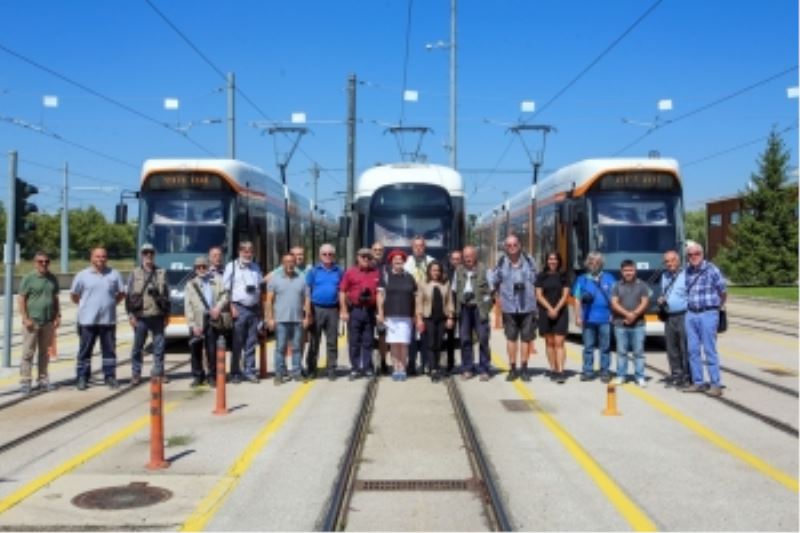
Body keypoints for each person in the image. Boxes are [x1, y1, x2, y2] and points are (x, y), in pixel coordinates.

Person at [70, 246, 126, 390]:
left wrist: (111, 304)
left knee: (109, 350)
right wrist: (86, 306)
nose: (101, 259)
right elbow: (74, 295)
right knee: (85, 351)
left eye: (103, 256)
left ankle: (110, 376)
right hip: (87, 320)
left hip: (108, 320)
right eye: (97, 256)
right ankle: (82, 377)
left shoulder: (114, 274)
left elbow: (121, 293)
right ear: (91, 258)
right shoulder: (82, 275)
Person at [683, 242, 727, 397]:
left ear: (702, 254)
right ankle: (698, 382)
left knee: (709, 349)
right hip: (691, 313)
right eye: (690, 255)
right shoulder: (687, 271)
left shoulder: (712, 270)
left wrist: (716, 308)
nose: (693, 257)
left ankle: (715, 384)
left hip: (708, 313)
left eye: (696, 254)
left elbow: (723, 292)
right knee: (693, 350)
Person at [492, 235, 538, 382]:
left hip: (528, 305)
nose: (512, 247)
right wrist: (497, 297)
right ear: (505, 247)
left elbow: (537, 279)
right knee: (511, 338)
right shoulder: (501, 262)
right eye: (509, 245)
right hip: (509, 306)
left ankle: (524, 368)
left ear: (520, 245)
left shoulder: (530, 261)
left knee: (526, 339)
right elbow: (493, 281)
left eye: (515, 244)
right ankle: (512, 368)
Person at [125, 243, 170, 385]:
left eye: (151, 253)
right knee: (138, 347)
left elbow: (167, 295)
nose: (148, 256)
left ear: (154, 255)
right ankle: (136, 374)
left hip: (157, 315)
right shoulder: (134, 273)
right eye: (145, 253)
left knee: (159, 347)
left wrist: (167, 314)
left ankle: (159, 372)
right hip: (141, 316)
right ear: (141, 255)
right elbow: (129, 297)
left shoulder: (161, 272)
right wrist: (131, 315)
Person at [18, 250, 60, 394]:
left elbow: (55, 298)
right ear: (35, 263)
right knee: (28, 352)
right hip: (32, 322)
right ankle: (25, 380)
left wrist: (57, 315)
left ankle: (42, 379)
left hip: (47, 321)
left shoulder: (52, 278)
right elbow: (22, 298)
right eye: (40, 261)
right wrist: (25, 318)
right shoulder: (28, 278)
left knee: (44, 353)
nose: (44, 264)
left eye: (46, 261)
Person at [266, 253, 312, 384]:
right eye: (287, 262)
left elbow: (307, 299)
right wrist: (270, 318)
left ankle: (296, 372)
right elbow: (269, 300)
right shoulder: (275, 279)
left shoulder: (302, 279)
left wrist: (306, 317)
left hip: (297, 320)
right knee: (280, 348)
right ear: (282, 263)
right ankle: (279, 374)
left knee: (297, 347)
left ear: (295, 263)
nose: (290, 264)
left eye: (292, 262)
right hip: (280, 320)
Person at [185, 256, 230, 387]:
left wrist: (218, 308)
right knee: (195, 349)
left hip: (212, 318)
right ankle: (198, 376)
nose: (201, 269)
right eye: (198, 267)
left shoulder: (217, 280)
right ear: (195, 269)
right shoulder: (190, 284)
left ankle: (212, 376)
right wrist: (192, 325)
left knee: (212, 349)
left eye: (204, 266)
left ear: (208, 267)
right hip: (197, 321)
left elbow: (225, 295)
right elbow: (187, 306)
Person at [222, 241, 263, 383]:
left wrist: (260, 310)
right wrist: (231, 306)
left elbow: (259, 287)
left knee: (251, 342)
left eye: (250, 251)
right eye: (245, 251)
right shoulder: (231, 267)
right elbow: (225, 289)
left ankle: (250, 371)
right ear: (239, 252)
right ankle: (235, 372)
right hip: (238, 308)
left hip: (253, 308)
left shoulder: (255, 267)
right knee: (237, 343)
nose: (248, 254)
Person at [572, 252, 615, 382]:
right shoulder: (582, 279)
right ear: (587, 263)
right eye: (591, 261)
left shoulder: (609, 278)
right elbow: (577, 299)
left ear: (601, 263)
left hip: (605, 319)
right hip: (588, 318)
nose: (594, 264)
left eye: (597, 261)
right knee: (588, 347)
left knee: (605, 347)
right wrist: (578, 316)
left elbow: (615, 299)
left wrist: (613, 314)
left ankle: (605, 371)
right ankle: (588, 371)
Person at [340, 248, 381, 379]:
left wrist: (380, 312)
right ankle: (355, 368)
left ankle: (368, 367)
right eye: (363, 257)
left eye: (368, 257)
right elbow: (342, 291)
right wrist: (344, 310)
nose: (366, 259)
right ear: (358, 258)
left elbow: (380, 293)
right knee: (354, 341)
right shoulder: (350, 272)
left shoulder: (376, 273)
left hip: (369, 311)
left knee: (368, 341)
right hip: (355, 310)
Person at [377, 249, 418, 381]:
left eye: (400, 262)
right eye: (396, 262)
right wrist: (381, 313)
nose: (398, 264)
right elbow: (380, 296)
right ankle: (396, 368)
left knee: (404, 344)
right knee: (394, 344)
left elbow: (415, 297)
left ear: (404, 263)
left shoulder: (409, 277)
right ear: (391, 263)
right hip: (391, 316)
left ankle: (403, 369)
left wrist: (416, 314)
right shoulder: (386, 276)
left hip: (406, 315)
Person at [453, 245, 492, 381]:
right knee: (465, 339)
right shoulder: (458, 270)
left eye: (470, 256)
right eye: (466, 256)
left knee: (483, 338)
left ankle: (484, 368)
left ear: (475, 256)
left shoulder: (484, 269)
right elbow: (454, 289)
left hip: (479, 308)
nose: (468, 258)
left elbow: (491, 290)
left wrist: (486, 308)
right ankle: (468, 368)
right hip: (464, 308)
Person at [306, 243, 344, 380]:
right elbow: (307, 291)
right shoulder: (313, 271)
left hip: (333, 309)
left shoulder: (339, 271)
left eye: (330, 254)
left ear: (334, 255)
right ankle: (311, 369)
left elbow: (342, 291)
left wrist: (343, 309)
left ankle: (331, 368)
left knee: (332, 341)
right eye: (324, 254)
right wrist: (308, 312)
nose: (327, 256)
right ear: (320, 255)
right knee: (314, 341)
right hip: (316, 309)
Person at [611, 259, 650, 387]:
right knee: (622, 352)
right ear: (622, 271)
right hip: (620, 324)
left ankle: (640, 376)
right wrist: (627, 315)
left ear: (635, 271)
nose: (629, 273)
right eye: (626, 270)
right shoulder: (617, 285)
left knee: (638, 352)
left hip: (638, 324)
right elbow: (614, 303)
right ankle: (621, 376)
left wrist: (634, 315)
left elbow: (644, 302)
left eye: (631, 270)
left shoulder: (642, 285)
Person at [416, 261, 455, 382]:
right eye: (433, 270)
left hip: (442, 318)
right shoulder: (423, 284)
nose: (436, 273)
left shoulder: (445, 284)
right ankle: (433, 368)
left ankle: (436, 366)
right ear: (429, 271)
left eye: (438, 270)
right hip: (428, 318)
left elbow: (449, 301)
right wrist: (419, 319)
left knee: (439, 344)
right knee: (431, 343)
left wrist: (450, 317)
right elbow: (419, 302)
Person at [535, 252, 570, 384]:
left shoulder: (563, 276)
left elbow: (565, 295)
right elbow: (539, 295)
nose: (552, 261)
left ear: (559, 261)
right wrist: (550, 309)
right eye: (550, 259)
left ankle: (561, 371)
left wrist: (556, 309)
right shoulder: (541, 276)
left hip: (560, 312)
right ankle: (553, 369)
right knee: (549, 342)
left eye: (555, 259)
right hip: (545, 312)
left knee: (559, 342)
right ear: (547, 261)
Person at [404, 236, 435, 375]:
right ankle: (411, 363)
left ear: (425, 246)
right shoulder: (406, 262)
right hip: (410, 302)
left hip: (427, 303)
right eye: (416, 246)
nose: (418, 248)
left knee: (425, 335)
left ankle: (425, 363)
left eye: (421, 245)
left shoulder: (431, 261)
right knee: (410, 335)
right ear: (412, 247)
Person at [659, 249, 690, 388]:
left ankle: (687, 376)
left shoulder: (687, 275)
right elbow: (666, 292)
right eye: (666, 261)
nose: (669, 263)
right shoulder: (664, 276)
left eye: (672, 260)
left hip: (684, 315)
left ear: (678, 261)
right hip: (669, 316)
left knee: (685, 346)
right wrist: (662, 299)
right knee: (671, 347)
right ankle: (676, 374)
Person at [370, 242, 390, 375]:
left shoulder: (387, 268)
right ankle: (368, 363)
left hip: (383, 306)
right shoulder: (367, 265)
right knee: (367, 336)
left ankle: (383, 362)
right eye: (375, 249)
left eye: (380, 250)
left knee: (383, 335)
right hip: (368, 306)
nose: (378, 251)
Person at [444, 249, 463, 374]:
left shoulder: (466, 271)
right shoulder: (446, 274)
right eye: (454, 259)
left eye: (458, 259)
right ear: (450, 260)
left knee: (465, 337)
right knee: (449, 337)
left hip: (464, 308)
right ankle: (450, 363)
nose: (456, 261)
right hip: (449, 309)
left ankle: (466, 364)